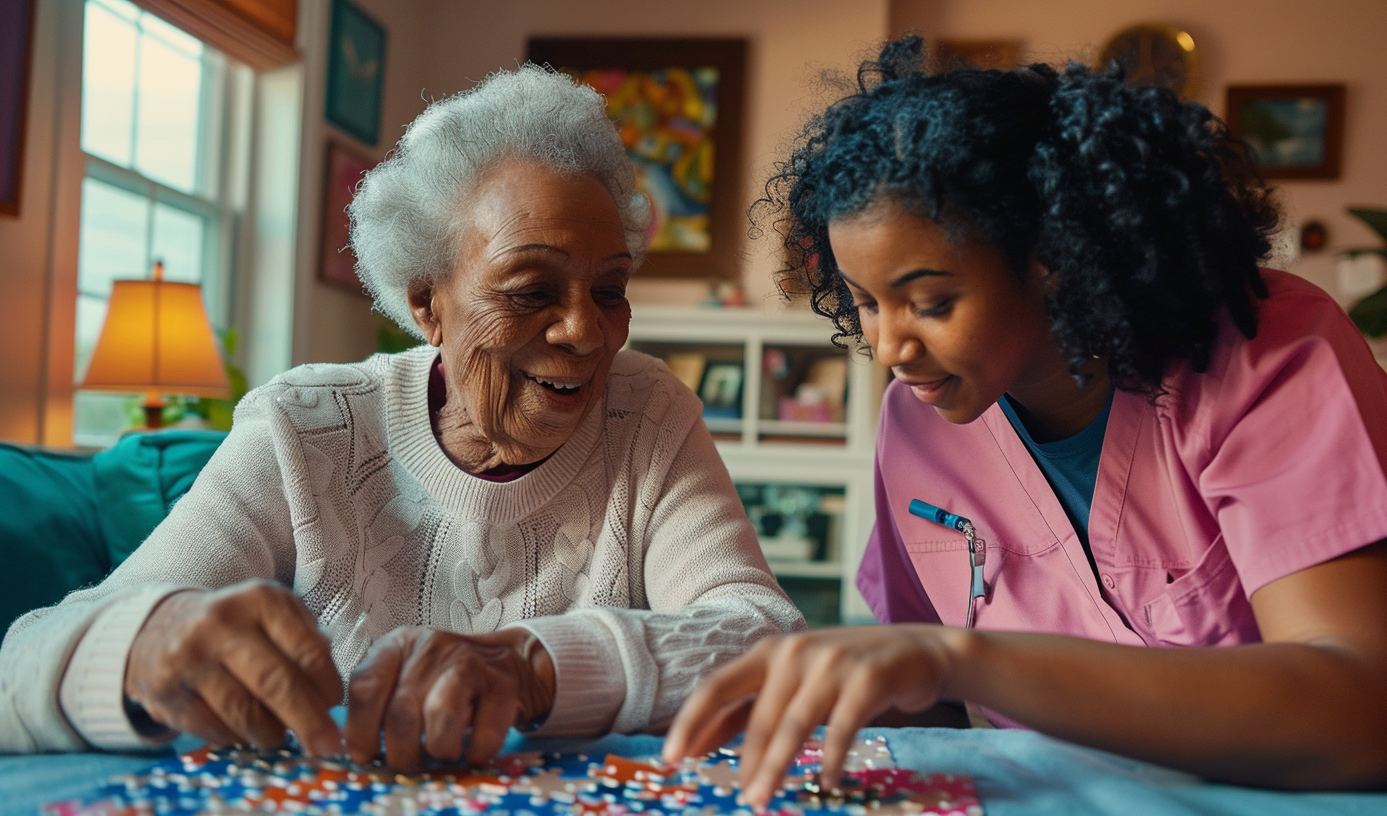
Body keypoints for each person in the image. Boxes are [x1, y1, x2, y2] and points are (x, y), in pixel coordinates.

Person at [664, 36, 1387, 797]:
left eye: (932, 301)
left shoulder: (1263, 350)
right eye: (866, 304)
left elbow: (1371, 725)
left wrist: (957, 656)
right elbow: (926, 711)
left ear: (1054, 256)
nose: (889, 349)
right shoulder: (919, 422)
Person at [0, 65, 804, 767]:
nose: (587, 331)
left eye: (609, 289)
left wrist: (531, 664)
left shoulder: (648, 412)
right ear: (427, 301)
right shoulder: (305, 428)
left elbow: (764, 638)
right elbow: (20, 668)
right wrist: (141, 646)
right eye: (531, 291)